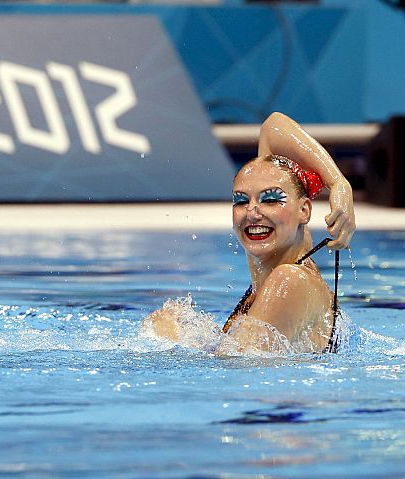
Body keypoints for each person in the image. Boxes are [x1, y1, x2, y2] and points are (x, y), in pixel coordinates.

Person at [143, 112, 355, 354]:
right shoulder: (283, 269)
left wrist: (340, 184)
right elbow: (273, 126)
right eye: (241, 201)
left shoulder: (289, 280)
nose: (252, 212)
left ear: (304, 210)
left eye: (272, 199)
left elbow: (236, 367)